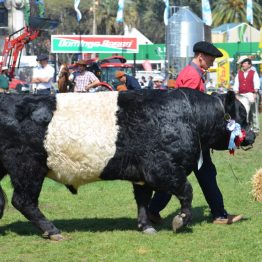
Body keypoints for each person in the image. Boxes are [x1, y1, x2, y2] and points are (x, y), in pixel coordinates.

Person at [148, 41, 243, 225]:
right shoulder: (192, 76)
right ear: (201, 57)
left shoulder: (191, 73)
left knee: (189, 174)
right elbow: (192, 109)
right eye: (211, 60)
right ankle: (219, 215)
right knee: (201, 174)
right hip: (193, 138)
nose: (213, 64)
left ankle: (153, 210)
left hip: (190, 137)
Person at [233, 58, 260, 134]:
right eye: (242, 63)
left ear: (249, 65)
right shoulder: (239, 73)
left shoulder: (253, 73)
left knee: (254, 112)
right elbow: (236, 84)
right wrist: (236, 94)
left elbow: (256, 83)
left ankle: (256, 129)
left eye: (245, 63)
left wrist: (255, 93)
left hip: (252, 94)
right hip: (241, 95)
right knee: (243, 112)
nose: (243, 64)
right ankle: (246, 127)